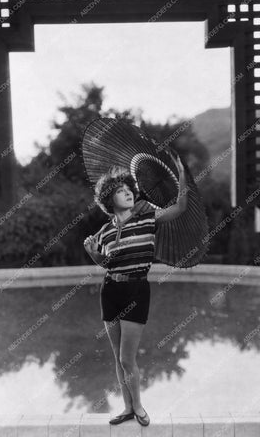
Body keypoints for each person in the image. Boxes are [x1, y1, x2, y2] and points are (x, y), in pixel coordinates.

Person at [83, 149, 188, 427]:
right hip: (111, 291)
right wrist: (93, 254)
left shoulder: (147, 218)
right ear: (109, 199)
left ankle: (139, 406)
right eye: (120, 191)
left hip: (136, 291)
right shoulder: (104, 232)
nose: (127, 193)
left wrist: (182, 176)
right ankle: (127, 408)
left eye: (128, 189)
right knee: (117, 358)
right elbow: (106, 263)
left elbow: (179, 208)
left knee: (127, 358)